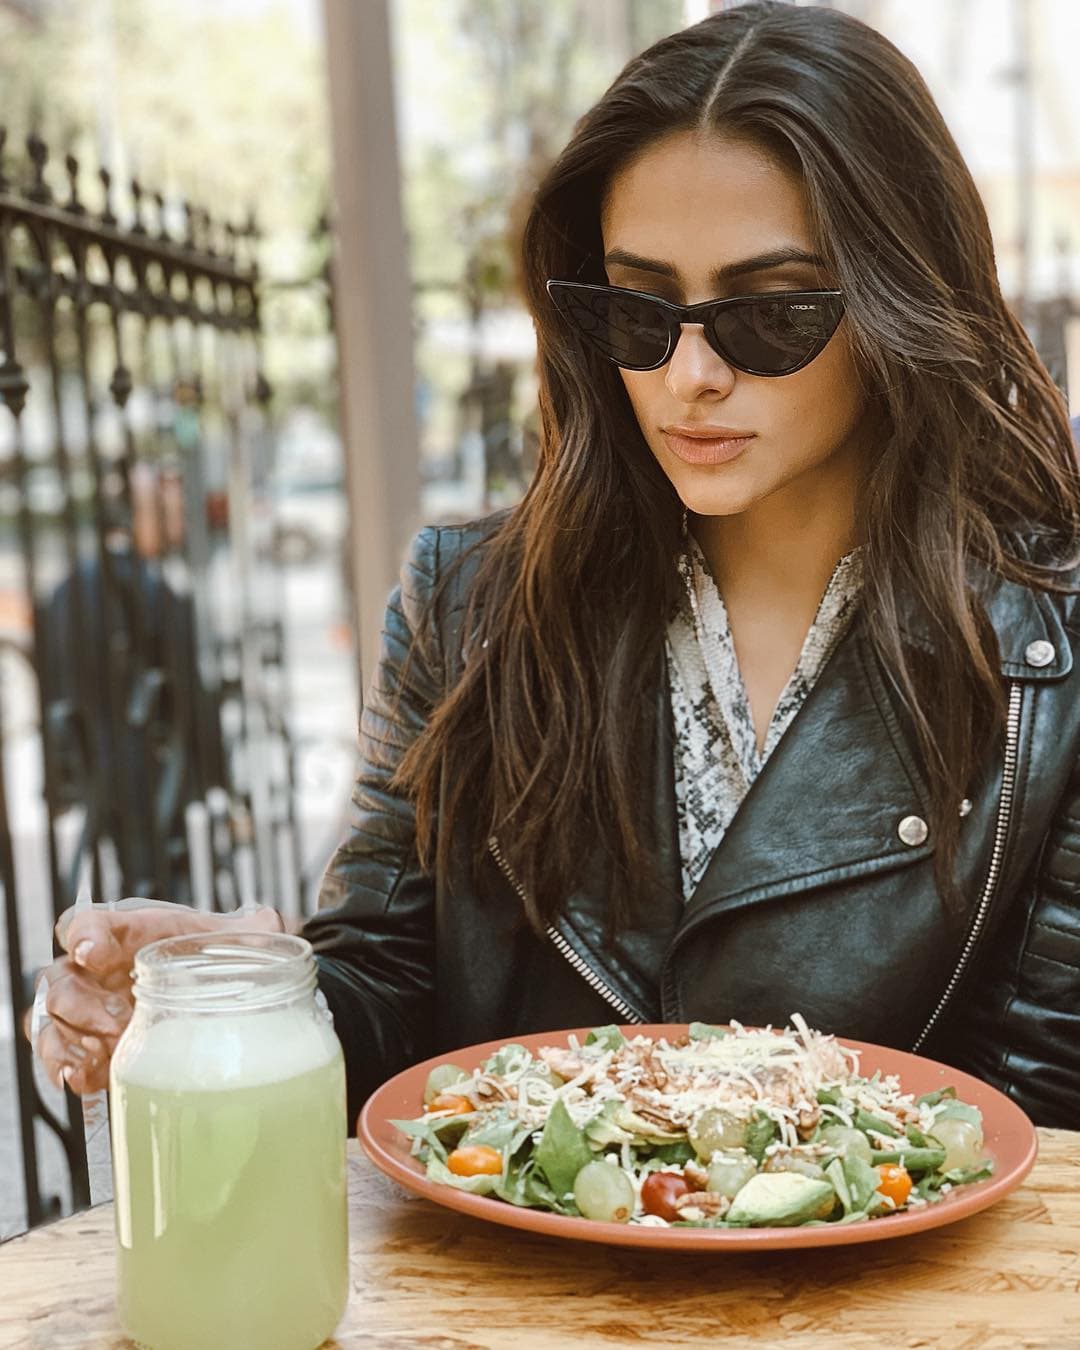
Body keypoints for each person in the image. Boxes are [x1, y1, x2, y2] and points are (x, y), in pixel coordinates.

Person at [27, 1, 1080, 1130]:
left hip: (889, 1307)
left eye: (769, 314)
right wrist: (240, 1000)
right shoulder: (467, 600)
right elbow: (385, 996)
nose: (689, 372)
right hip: (508, 1304)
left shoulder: (1047, 658)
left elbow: (1040, 1131)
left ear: (898, 298)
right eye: (637, 308)